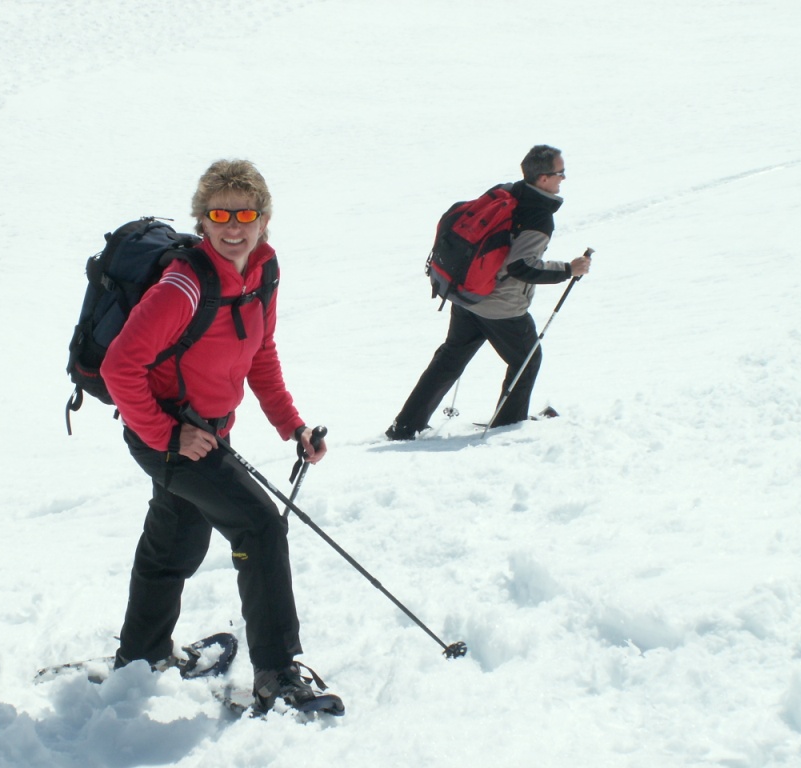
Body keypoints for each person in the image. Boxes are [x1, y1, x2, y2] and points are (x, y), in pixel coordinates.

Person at [100, 159, 332, 713]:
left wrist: (291, 425)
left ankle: (141, 656)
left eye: (245, 214)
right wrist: (168, 436)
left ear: (264, 219)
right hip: (168, 437)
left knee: (175, 541)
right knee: (259, 526)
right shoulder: (183, 286)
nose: (233, 227)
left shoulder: (263, 273)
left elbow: (261, 353)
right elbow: (118, 368)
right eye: (219, 214)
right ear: (202, 220)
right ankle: (276, 674)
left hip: (206, 434)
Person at [386, 145, 592, 440]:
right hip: (501, 307)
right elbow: (522, 266)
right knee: (526, 360)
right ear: (543, 178)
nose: (564, 178)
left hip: (467, 293)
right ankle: (508, 426)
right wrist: (568, 269)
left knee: (450, 357)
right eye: (560, 173)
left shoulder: (505, 192)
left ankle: (406, 425)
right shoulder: (538, 216)